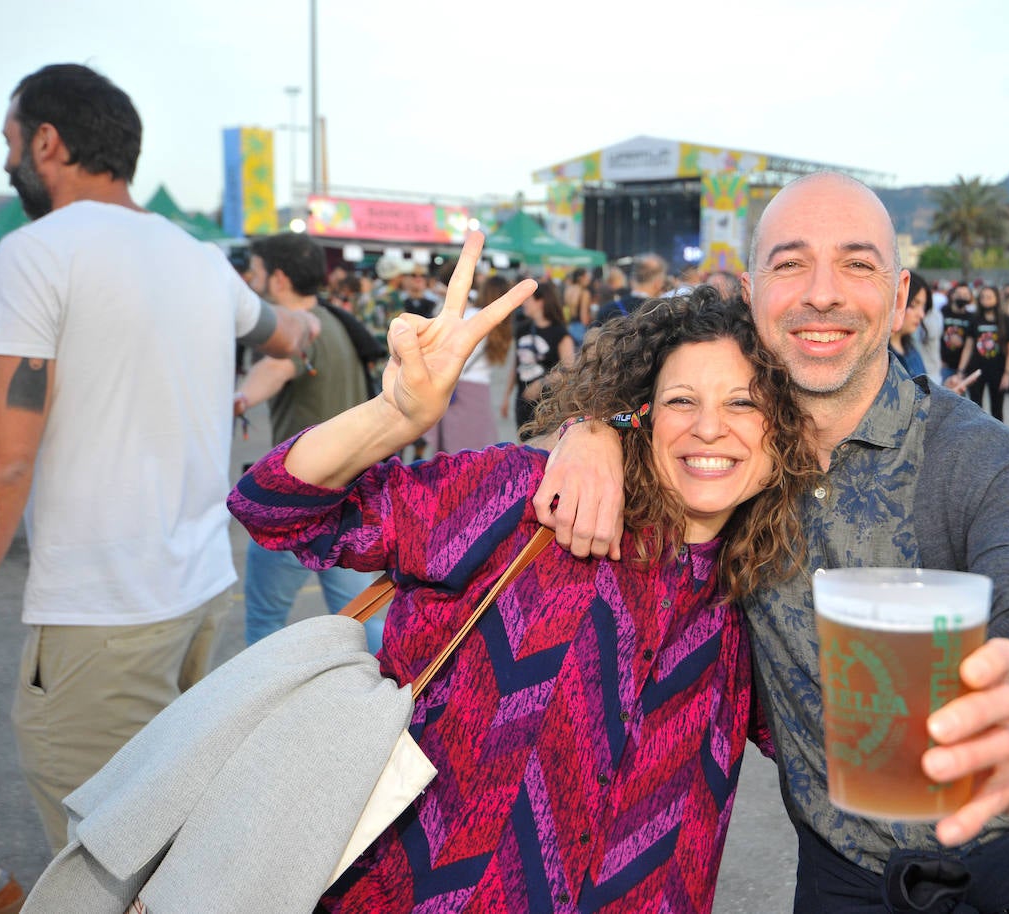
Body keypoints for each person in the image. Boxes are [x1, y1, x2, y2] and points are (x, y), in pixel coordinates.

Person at [536, 173, 1009, 913]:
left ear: (898, 296)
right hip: (842, 868)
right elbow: (645, 400)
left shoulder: (981, 458)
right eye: (791, 263)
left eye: (857, 264)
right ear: (751, 291)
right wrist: (590, 428)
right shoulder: (725, 455)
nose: (822, 292)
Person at [227, 234, 824, 912]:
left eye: (744, 404)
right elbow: (274, 507)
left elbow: (835, 752)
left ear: (782, 429)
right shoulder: (529, 504)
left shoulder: (763, 594)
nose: (711, 429)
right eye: (683, 400)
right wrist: (394, 416)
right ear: (640, 413)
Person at [0, 63, 314, 852]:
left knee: (99, 857)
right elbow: (284, 331)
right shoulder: (200, 257)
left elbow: (6, 462)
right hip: (200, 592)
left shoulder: (34, 254)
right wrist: (304, 335)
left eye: (8, 141)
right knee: (167, 835)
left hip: (101, 610)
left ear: (47, 140)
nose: (5, 161)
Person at [232, 232, 382, 652]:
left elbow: (276, 368)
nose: (250, 280)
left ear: (278, 279)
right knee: (362, 624)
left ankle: (259, 712)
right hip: (345, 502)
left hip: (295, 505)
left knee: (264, 627)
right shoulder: (334, 321)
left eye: (256, 272)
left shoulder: (302, 333)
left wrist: (239, 399)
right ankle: (392, 707)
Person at [428, 271, 513, 454]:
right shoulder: (503, 323)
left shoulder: (472, 314)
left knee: (453, 449)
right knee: (479, 449)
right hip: (481, 390)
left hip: (458, 386)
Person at [502, 279, 576, 435]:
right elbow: (516, 365)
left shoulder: (560, 334)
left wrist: (542, 383)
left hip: (548, 404)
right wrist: (506, 397)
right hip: (523, 401)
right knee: (523, 450)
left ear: (540, 301)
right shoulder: (523, 329)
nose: (524, 303)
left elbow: (570, 370)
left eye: (528, 299)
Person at [955, 284, 1009, 421]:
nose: (985, 300)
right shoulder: (974, 320)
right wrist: (960, 370)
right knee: (975, 408)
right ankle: (977, 441)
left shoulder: (1006, 321)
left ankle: (998, 441)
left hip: (998, 371)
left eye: (989, 297)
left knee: (997, 410)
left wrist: (1007, 374)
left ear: (997, 299)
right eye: (982, 297)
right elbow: (968, 347)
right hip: (976, 371)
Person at [889, 270, 930, 378]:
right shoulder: (878, 358)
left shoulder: (912, 351)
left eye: (923, 307)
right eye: (913, 305)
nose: (921, 315)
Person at [938, 285, 973, 384]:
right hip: (944, 366)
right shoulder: (943, 312)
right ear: (952, 295)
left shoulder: (972, 317)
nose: (962, 297)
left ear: (970, 298)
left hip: (962, 369)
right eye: (959, 294)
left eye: (965, 294)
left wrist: (961, 370)